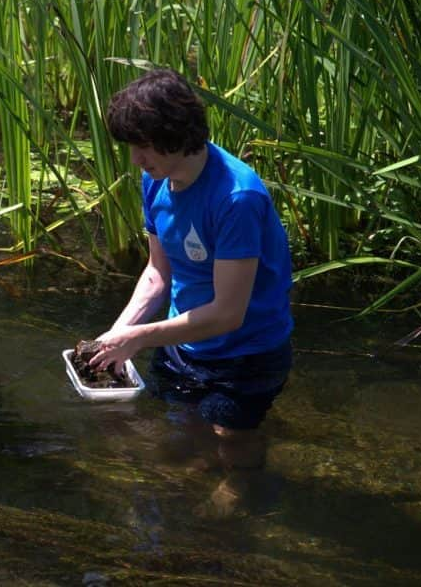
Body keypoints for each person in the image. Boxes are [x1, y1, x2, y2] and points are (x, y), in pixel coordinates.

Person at [88, 69, 293, 447]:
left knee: (232, 446)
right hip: (182, 345)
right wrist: (116, 338)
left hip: (247, 355)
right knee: (181, 440)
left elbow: (228, 314)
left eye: (143, 146)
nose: (135, 159)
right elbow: (157, 273)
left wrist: (138, 338)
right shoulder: (156, 177)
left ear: (175, 134)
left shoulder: (236, 198)